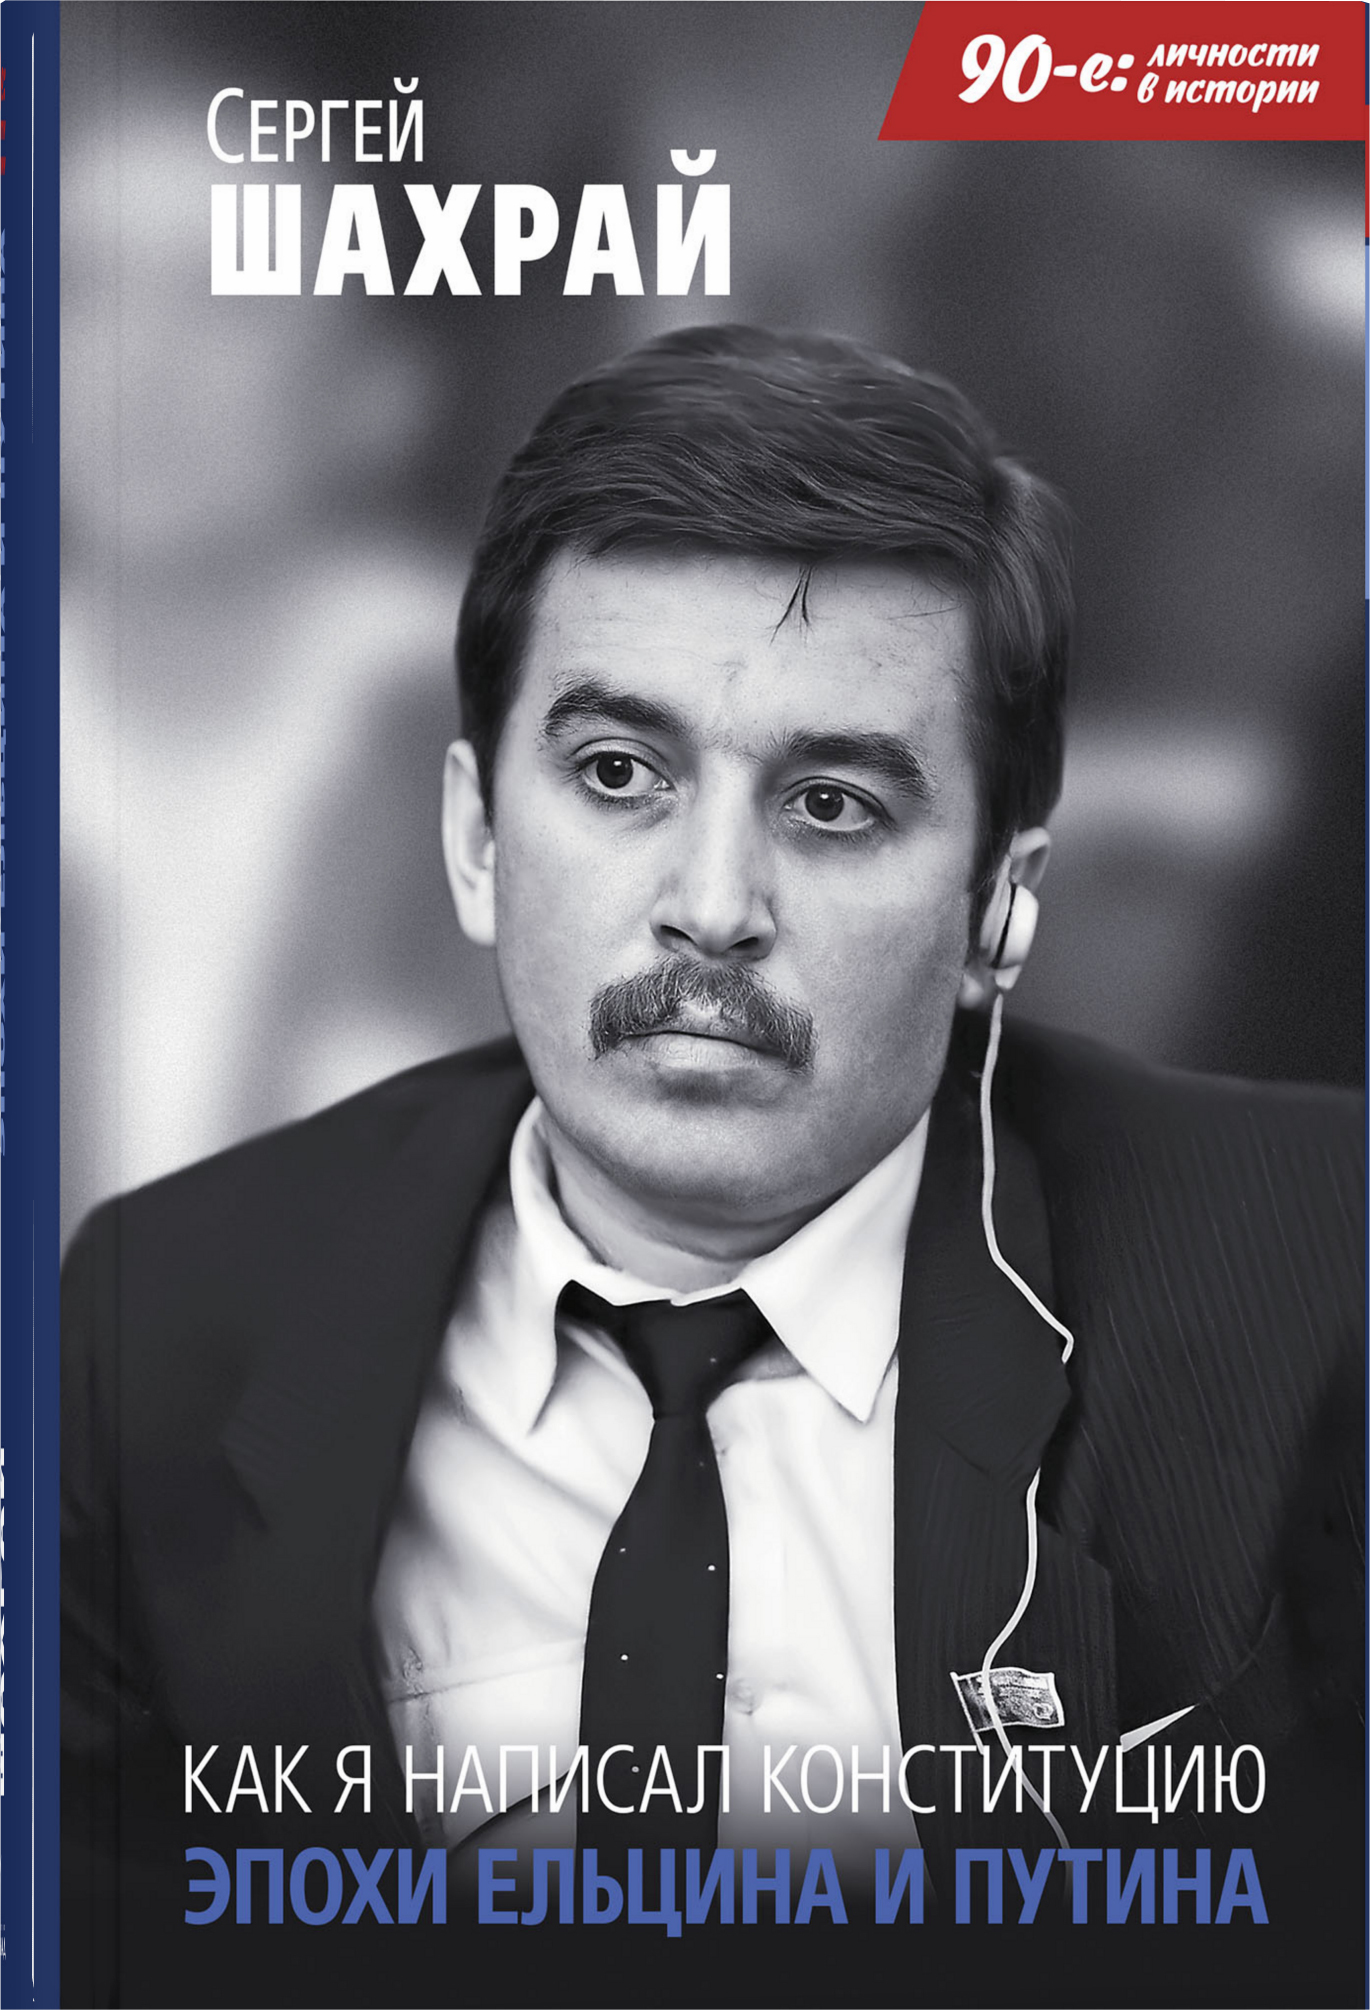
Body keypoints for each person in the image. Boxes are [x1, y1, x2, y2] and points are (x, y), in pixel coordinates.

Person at [61, 326, 1363, 2010]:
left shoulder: (1310, 1276)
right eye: (619, 775)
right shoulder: (163, 1320)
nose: (710, 905)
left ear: (997, 908)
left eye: (831, 804)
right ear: (475, 837)